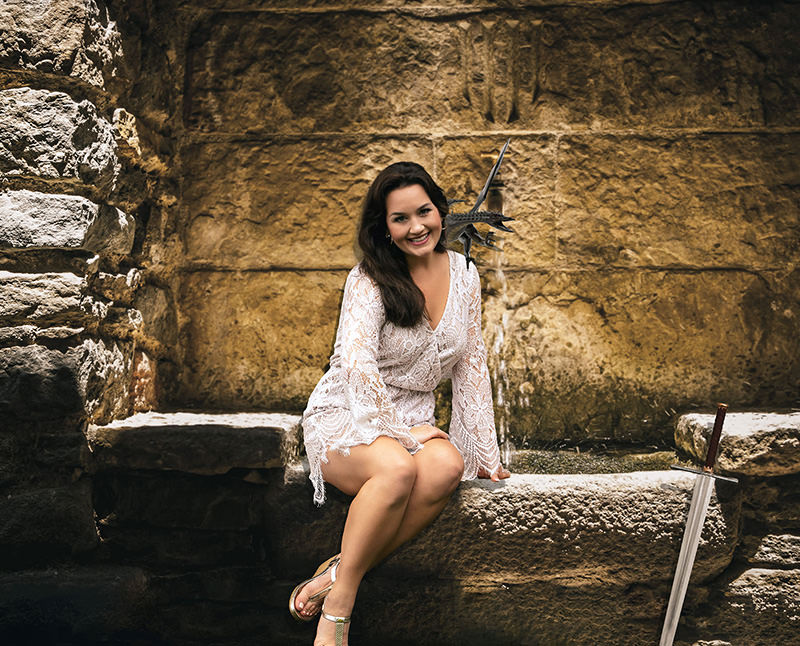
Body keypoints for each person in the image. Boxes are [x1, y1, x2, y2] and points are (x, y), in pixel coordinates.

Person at [290, 160, 511, 646]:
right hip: (348, 413)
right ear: (384, 228)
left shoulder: (464, 273)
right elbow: (357, 362)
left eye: (424, 212)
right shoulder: (368, 279)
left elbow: (470, 365)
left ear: (440, 211)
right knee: (396, 469)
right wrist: (399, 433)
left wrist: (485, 455)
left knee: (446, 467)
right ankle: (338, 613)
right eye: (400, 218)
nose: (416, 227)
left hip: (414, 419)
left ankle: (337, 572)